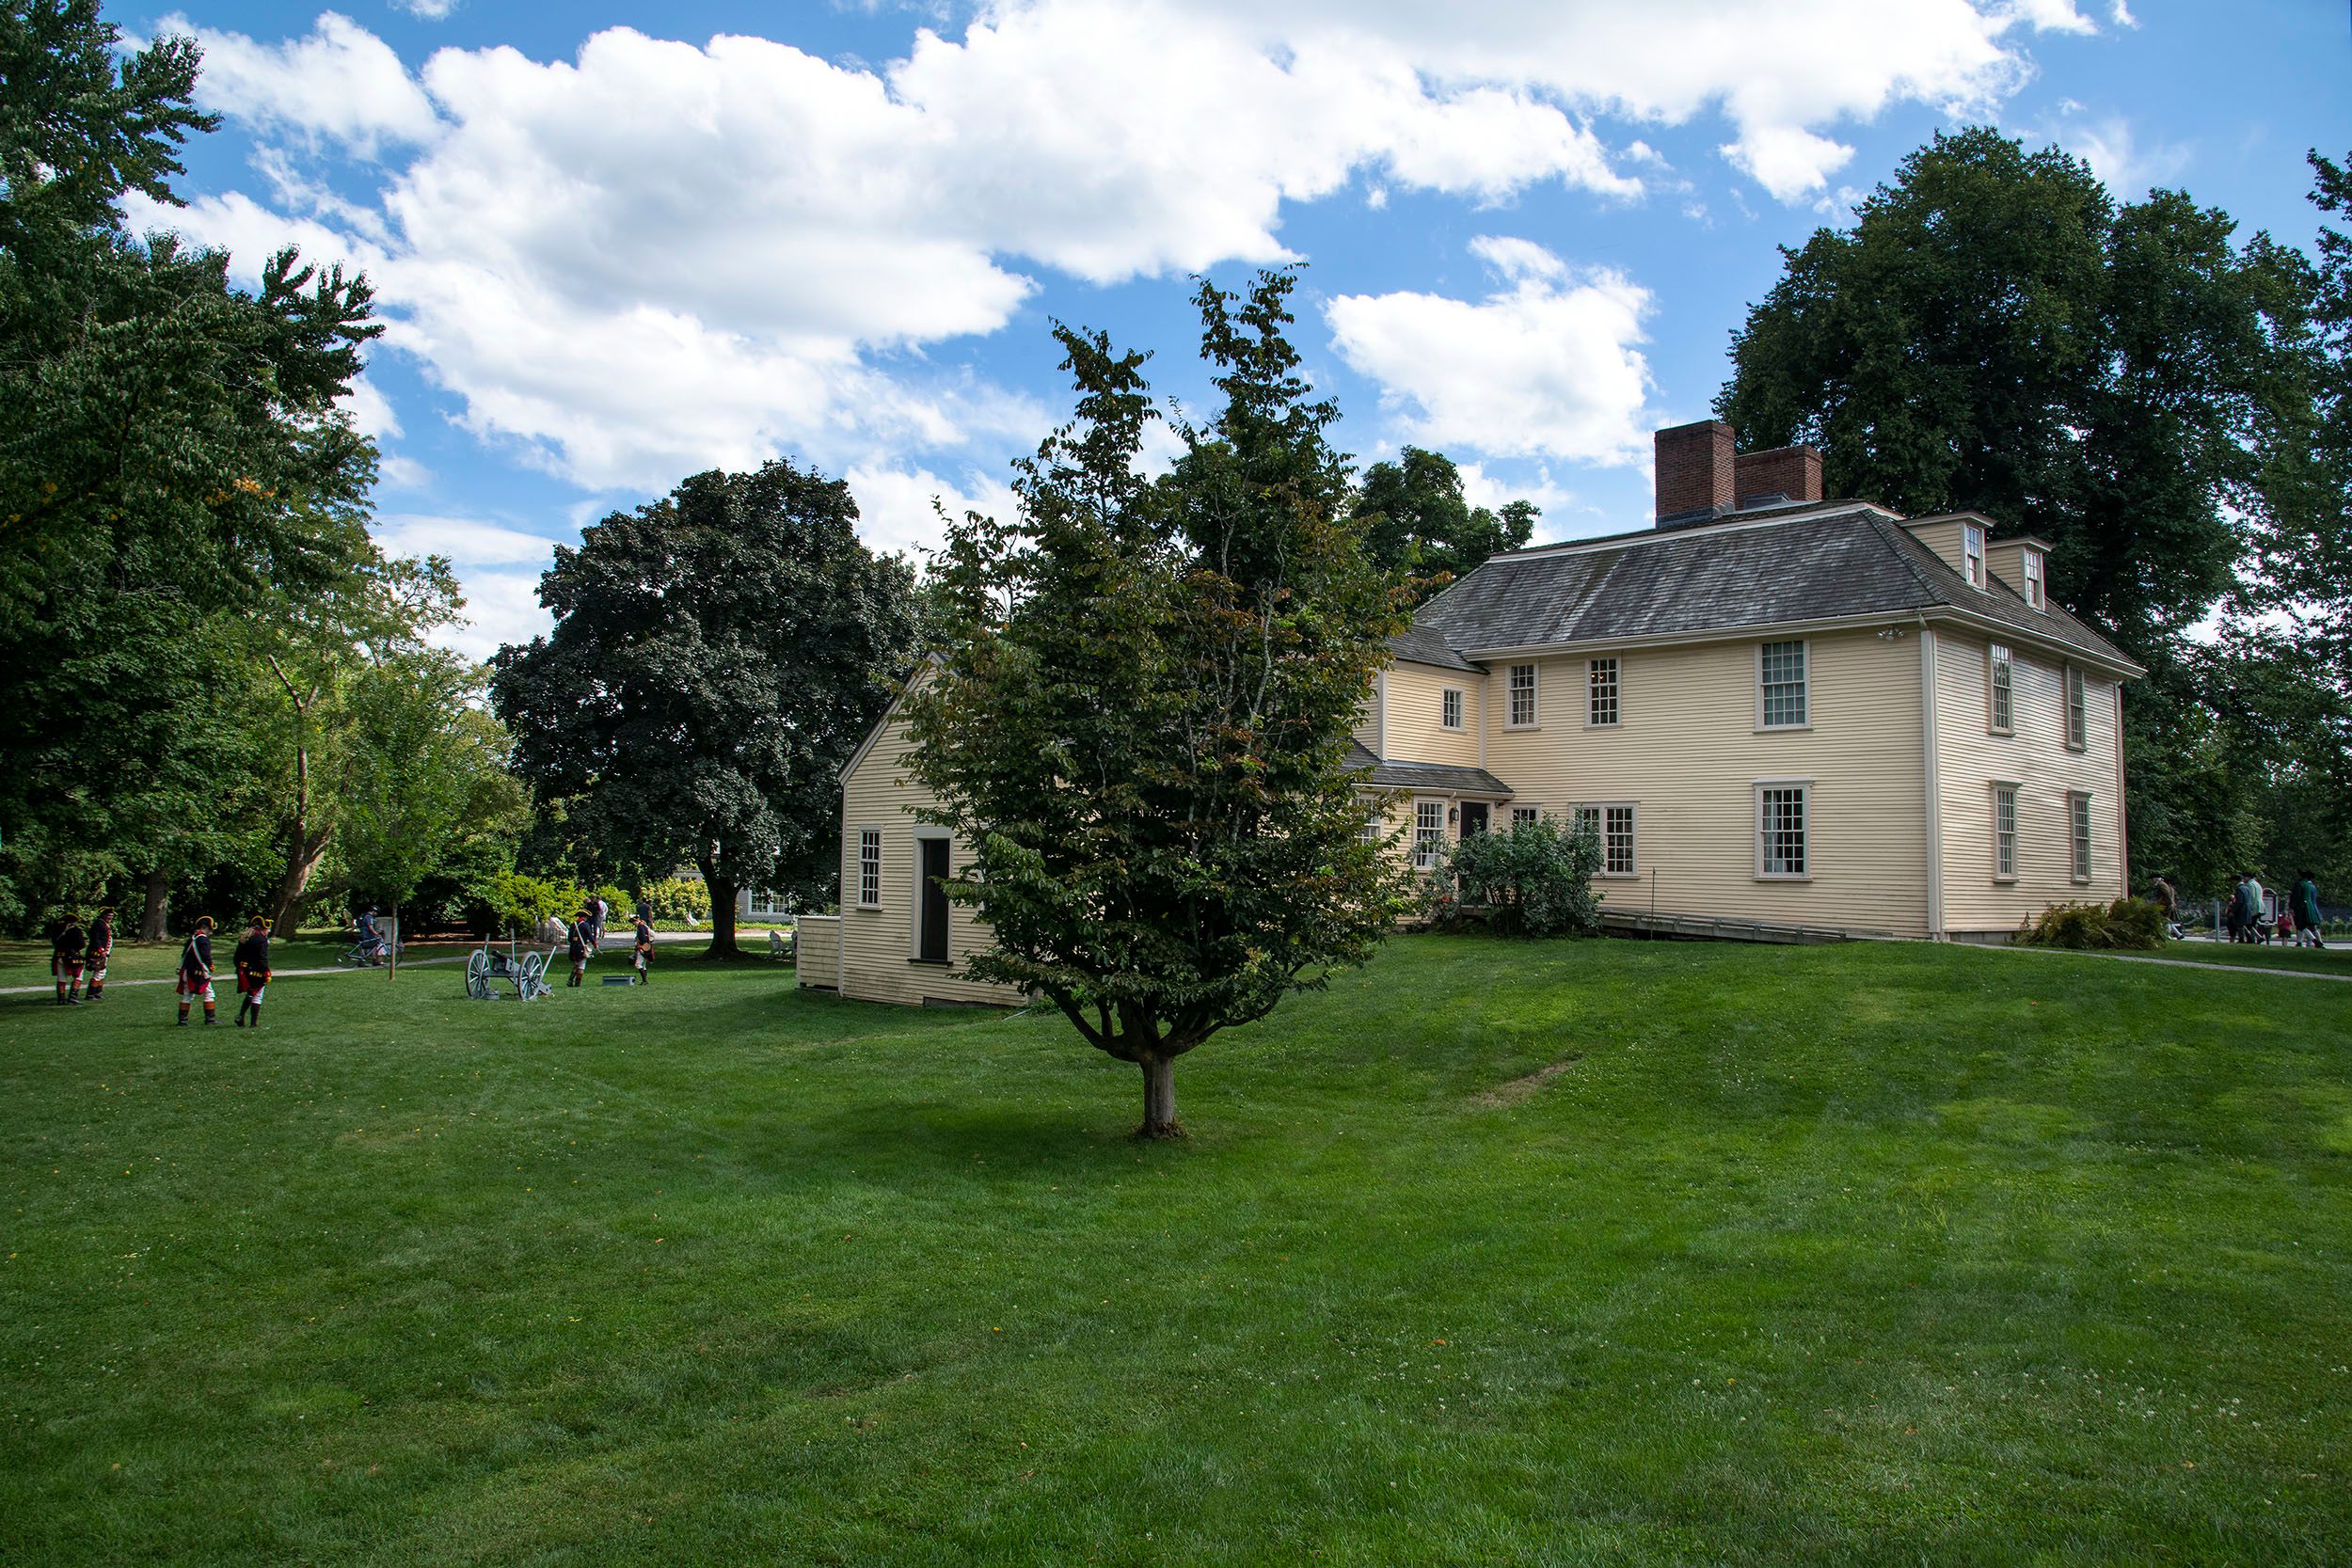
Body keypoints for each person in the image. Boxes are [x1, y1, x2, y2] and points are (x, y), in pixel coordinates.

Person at [176, 916, 217, 1026]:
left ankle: (182, 1020)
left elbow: (184, 955)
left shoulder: (192, 938)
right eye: (211, 930)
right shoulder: (203, 939)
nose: (211, 933)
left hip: (186, 971)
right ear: (207, 928)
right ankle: (210, 1019)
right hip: (197, 973)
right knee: (209, 993)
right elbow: (205, 956)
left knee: (187, 995)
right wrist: (210, 966)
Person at [232, 916, 273, 1027]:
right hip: (256, 971)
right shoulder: (262, 940)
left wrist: (240, 967)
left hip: (244, 970)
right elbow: (262, 958)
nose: (269, 931)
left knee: (251, 993)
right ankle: (252, 1022)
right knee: (257, 994)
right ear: (264, 929)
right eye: (268, 929)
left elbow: (236, 957)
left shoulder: (246, 937)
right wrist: (266, 972)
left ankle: (241, 1017)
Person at [51, 910, 87, 1006]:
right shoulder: (76, 930)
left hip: (59, 956)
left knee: (61, 978)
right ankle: (72, 998)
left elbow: (55, 943)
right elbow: (81, 944)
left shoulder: (57, 930)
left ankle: (61, 999)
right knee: (79, 976)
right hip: (72, 957)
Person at [85, 907, 114, 1000]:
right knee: (99, 971)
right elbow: (95, 939)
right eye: (108, 915)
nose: (110, 917)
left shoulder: (104, 924)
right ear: (104, 915)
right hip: (98, 953)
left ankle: (97, 992)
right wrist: (101, 950)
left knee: (102, 972)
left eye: (111, 916)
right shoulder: (99, 924)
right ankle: (91, 994)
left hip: (104, 953)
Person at [2295, 871, 2327, 950]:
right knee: (2313, 928)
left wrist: (2293, 906)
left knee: (2301, 925)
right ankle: (2319, 942)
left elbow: (2297, 897)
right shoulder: (2313, 886)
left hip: (2305, 907)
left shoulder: (2302, 884)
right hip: (2313, 907)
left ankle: (2316, 942)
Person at [565, 908, 592, 988]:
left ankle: (570, 980)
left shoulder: (573, 924)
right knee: (581, 966)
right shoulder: (585, 925)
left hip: (573, 947)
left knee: (576, 964)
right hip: (581, 947)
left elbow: (569, 938)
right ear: (584, 917)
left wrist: (574, 943)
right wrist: (594, 943)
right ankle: (578, 983)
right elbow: (590, 936)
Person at [631, 909, 655, 984]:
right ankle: (644, 980)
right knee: (643, 965)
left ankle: (644, 980)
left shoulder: (641, 927)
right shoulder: (644, 926)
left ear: (636, 921)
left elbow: (643, 938)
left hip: (642, 947)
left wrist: (641, 948)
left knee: (638, 964)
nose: (633, 924)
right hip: (646, 947)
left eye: (633, 922)